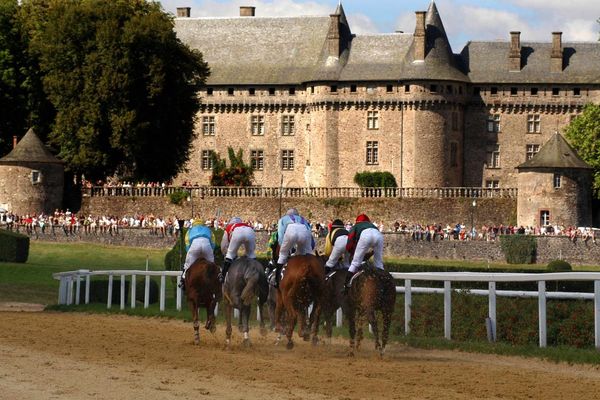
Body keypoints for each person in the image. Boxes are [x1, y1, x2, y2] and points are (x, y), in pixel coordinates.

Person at [274, 208, 313, 287]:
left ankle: (277, 281)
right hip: (304, 231)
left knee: (282, 255)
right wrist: (310, 248)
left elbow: (281, 234)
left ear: (287, 214)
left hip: (291, 230)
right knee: (305, 255)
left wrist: (283, 246)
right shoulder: (303, 219)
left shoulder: (283, 219)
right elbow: (309, 233)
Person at [345, 213, 384, 289]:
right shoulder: (372, 225)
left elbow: (350, 240)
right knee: (378, 263)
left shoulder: (356, 226)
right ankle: (383, 283)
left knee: (355, 263)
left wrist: (351, 251)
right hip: (379, 235)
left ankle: (346, 284)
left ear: (357, 221)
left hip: (365, 236)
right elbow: (373, 244)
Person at [179, 220, 216, 290]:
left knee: (187, 265)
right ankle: (216, 281)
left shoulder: (190, 230)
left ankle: (182, 281)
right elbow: (213, 242)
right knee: (212, 265)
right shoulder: (208, 229)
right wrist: (210, 252)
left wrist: (190, 254)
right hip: (207, 245)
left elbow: (187, 244)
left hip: (195, 245)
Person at [219, 217, 256, 283]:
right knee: (251, 255)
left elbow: (224, 246)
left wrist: (226, 255)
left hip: (237, 232)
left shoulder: (229, 227)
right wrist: (248, 253)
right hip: (250, 231)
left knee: (230, 254)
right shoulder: (246, 225)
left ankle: (223, 276)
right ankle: (256, 273)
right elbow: (253, 247)